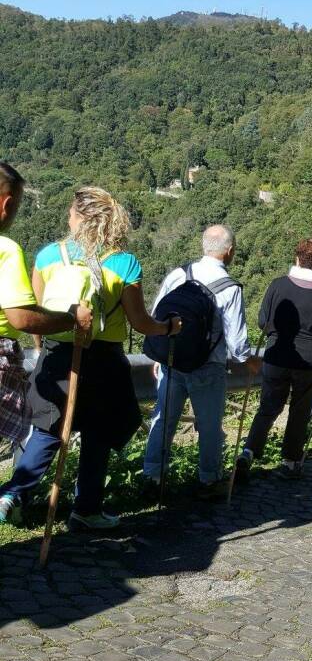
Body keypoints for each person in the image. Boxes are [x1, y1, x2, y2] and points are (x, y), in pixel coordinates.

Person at [1, 186, 181, 529]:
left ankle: (11, 495)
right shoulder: (125, 263)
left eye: (70, 213)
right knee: (98, 432)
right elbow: (140, 323)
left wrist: (41, 349)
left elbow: (39, 313)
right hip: (103, 359)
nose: (66, 218)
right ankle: (86, 510)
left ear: (81, 218)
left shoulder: (48, 256)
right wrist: (168, 328)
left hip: (56, 355)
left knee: (48, 430)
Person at [0, 164, 93, 521]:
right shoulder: (5, 248)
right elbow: (21, 317)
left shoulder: (47, 256)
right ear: (6, 204)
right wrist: (70, 317)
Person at [143, 225, 261, 498]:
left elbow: (156, 314)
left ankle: (152, 477)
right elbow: (237, 342)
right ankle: (209, 480)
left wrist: (160, 353)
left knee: (163, 420)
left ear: (203, 246)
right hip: (209, 367)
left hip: (172, 360)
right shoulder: (230, 288)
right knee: (209, 426)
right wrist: (249, 362)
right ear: (230, 252)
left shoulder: (179, 274)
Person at [234, 238, 312, 481]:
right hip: (307, 363)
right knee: (299, 412)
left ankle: (249, 452)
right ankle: (290, 462)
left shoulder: (278, 285)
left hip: (276, 356)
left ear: (296, 258)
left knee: (268, 408)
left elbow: (263, 321)